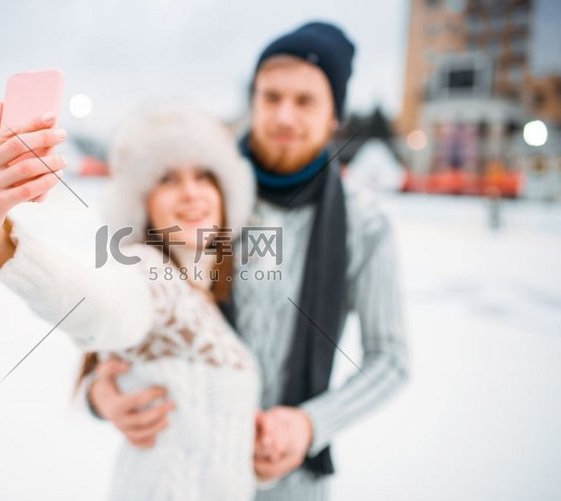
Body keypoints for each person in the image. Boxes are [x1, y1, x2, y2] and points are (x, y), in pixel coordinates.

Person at [88, 21, 409, 500]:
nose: (283, 115)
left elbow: (391, 360)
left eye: (304, 101)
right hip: (181, 466)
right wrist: (103, 393)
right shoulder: (199, 194)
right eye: (271, 96)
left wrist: (308, 425)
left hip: (289, 482)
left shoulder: (366, 225)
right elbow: (121, 309)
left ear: (333, 116)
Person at [0, 103, 262, 500]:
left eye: (204, 176)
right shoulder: (149, 273)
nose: (191, 192)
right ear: (144, 204)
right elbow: (100, 304)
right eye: (168, 179)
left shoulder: (211, 291)